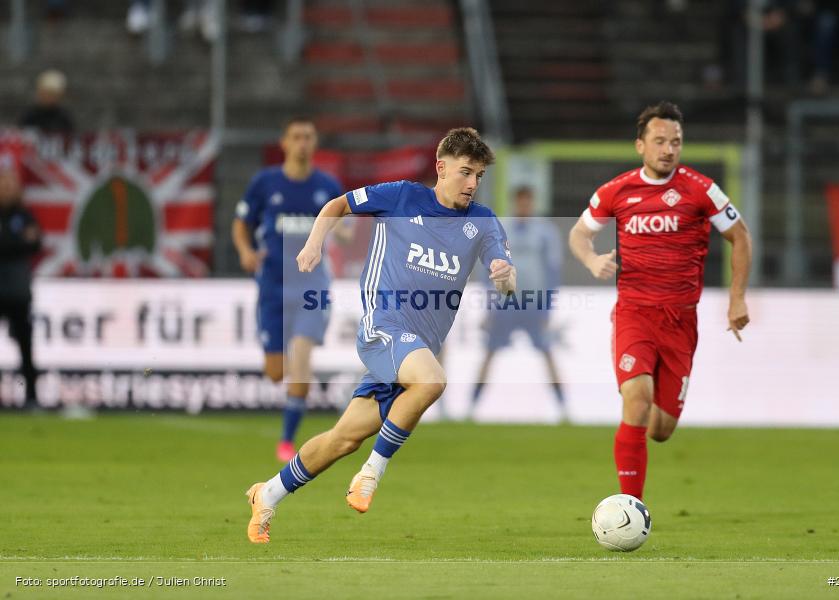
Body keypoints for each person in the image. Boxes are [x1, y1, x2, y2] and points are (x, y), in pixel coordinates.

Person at [245, 127, 516, 543]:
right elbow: (338, 204)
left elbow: (506, 275)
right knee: (432, 381)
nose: (472, 184)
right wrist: (316, 242)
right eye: (465, 172)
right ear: (441, 168)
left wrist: (505, 278)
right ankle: (371, 474)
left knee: (343, 438)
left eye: (479, 175)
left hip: (414, 348)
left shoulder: (481, 221)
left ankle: (268, 493)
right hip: (382, 327)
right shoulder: (402, 196)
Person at [568, 101, 751, 501]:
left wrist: (737, 297)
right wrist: (591, 258)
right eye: (660, 141)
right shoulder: (617, 191)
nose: (668, 149)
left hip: (681, 321)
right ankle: (630, 508)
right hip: (635, 312)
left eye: (676, 142)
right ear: (640, 145)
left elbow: (740, 236)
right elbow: (579, 235)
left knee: (662, 429)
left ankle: (637, 444)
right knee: (637, 398)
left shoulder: (701, 190)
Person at [232, 117, 344, 462]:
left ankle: (286, 441)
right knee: (276, 371)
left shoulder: (327, 186)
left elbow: (343, 224)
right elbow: (241, 223)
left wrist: (345, 232)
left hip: (312, 286)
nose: (302, 143)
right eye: (296, 137)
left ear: (315, 142)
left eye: (308, 137)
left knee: (302, 356)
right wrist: (245, 251)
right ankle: (288, 418)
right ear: (284, 142)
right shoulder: (265, 183)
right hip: (272, 287)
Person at [468, 185, 567, 421]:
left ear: (532, 204)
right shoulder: (500, 230)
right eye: (520, 202)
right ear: (515, 203)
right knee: (490, 352)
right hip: (505, 303)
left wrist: (548, 307)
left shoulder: (545, 232)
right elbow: (487, 269)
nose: (524, 206)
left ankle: (564, 409)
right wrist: (489, 304)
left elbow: (552, 271)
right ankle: (471, 408)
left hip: (534, 303)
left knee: (547, 352)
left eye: (528, 202)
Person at [0, 159, 42, 409]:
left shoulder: (24, 215)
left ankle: (32, 398)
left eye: (9, 183)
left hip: (16, 290)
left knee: (25, 345)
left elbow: (35, 243)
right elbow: (23, 243)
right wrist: (16, 243)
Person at [17, 70, 74, 135]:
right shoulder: (30, 116)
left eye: (52, 94)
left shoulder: (63, 118)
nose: (49, 97)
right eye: (46, 93)